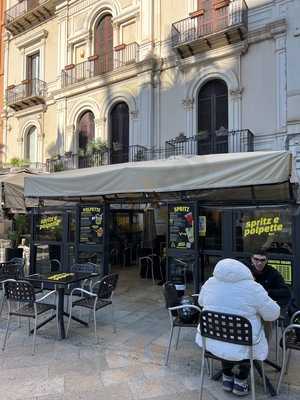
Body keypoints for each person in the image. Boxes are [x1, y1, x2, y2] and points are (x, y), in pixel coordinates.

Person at [196, 258, 280, 396]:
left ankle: (227, 377)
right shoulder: (253, 288)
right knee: (245, 335)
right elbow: (273, 314)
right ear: (247, 272)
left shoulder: (210, 283)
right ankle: (240, 381)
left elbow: (200, 301)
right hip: (243, 345)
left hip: (212, 341)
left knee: (225, 331)